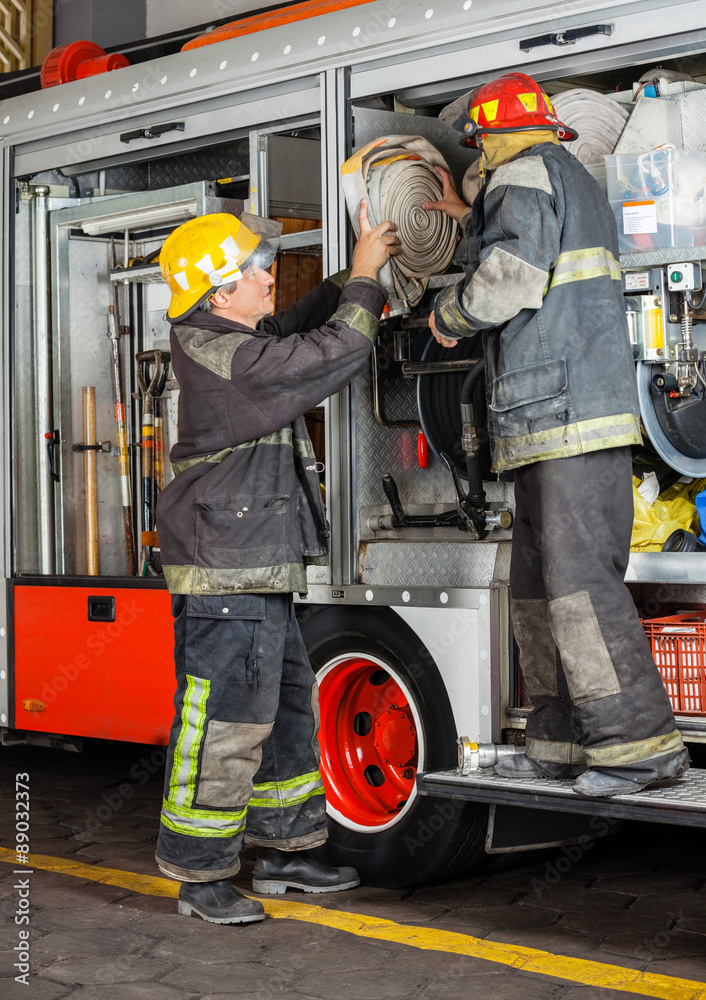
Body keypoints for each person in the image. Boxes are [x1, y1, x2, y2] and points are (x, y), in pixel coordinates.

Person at [423, 72, 689, 798]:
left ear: (494, 136)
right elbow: (524, 235)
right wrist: (468, 207)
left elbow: (510, 275)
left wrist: (447, 316)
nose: (478, 156)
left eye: (479, 144)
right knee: (539, 587)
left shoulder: (524, 176)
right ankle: (563, 739)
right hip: (554, 419)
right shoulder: (556, 175)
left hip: (565, 416)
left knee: (576, 587)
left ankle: (638, 747)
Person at [154, 201, 397, 923]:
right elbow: (332, 354)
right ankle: (199, 874)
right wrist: (363, 282)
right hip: (227, 573)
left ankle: (288, 851)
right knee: (223, 724)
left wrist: (348, 275)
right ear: (219, 293)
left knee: (288, 712)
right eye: (256, 270)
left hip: (254, 568)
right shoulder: (226, 356)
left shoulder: (226, 339)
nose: (269, 279)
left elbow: (289, 331)